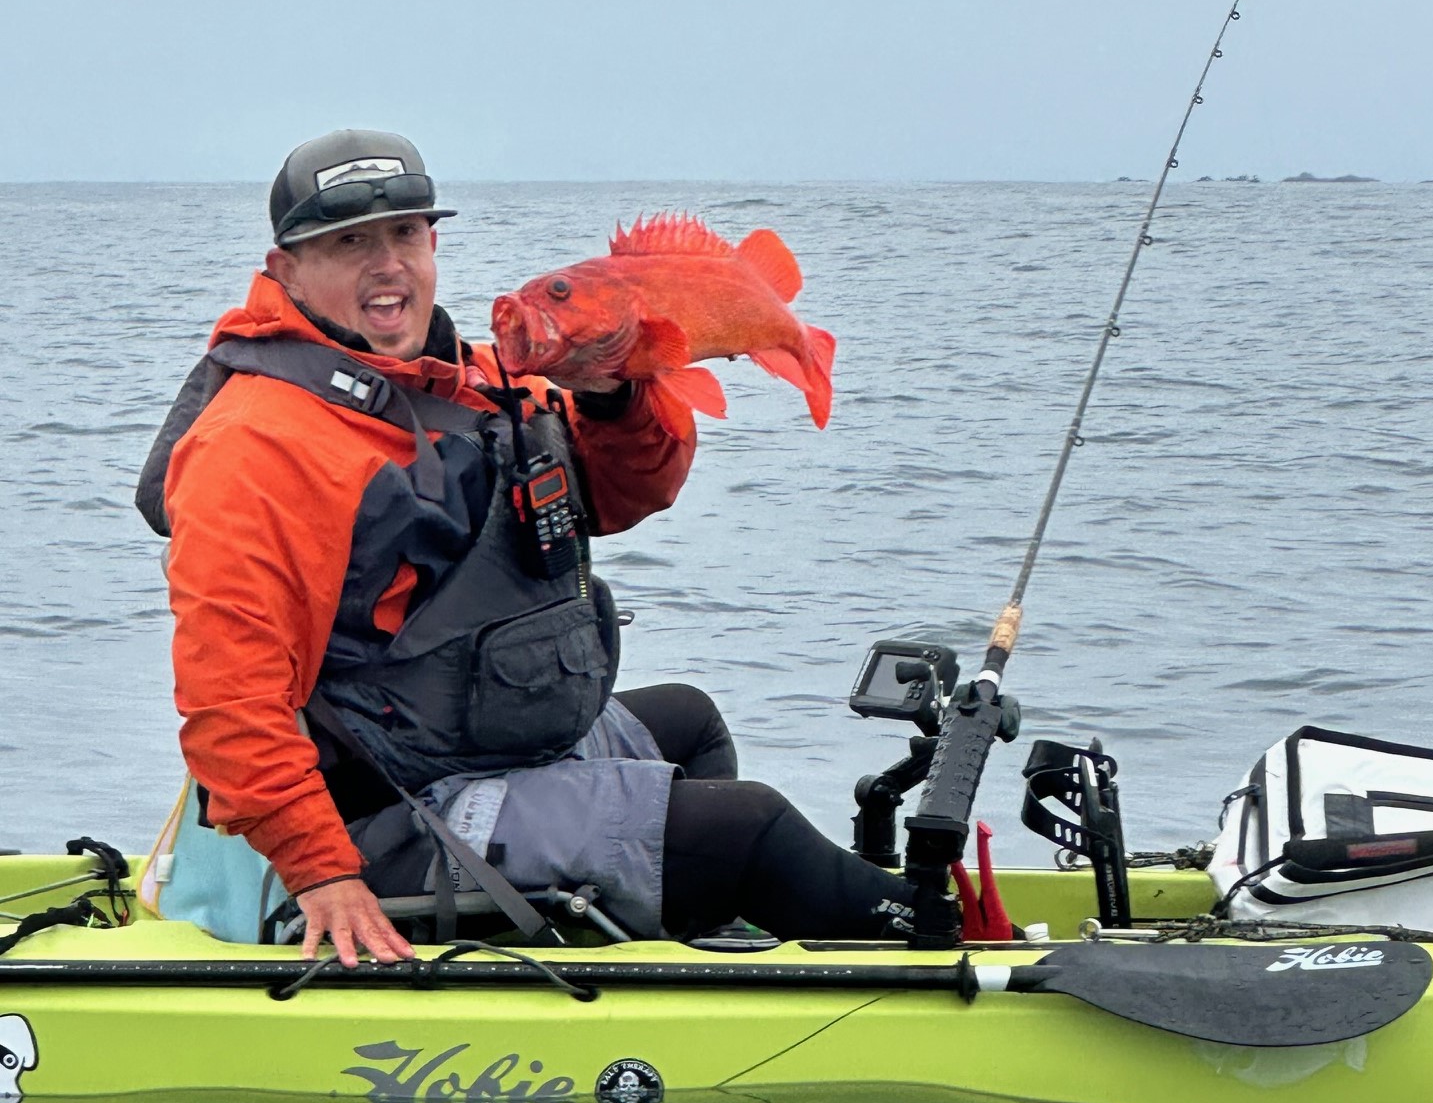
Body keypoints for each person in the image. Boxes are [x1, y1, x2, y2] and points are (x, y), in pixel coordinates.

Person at [137, 129, 926, 967]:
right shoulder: (254, 445)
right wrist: (320, 870)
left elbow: (630, 493)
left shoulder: (473, 380)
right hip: (380, 817)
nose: (387, 263)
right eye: (349, 242)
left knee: (688, 724)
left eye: (405, 233)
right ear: (286, 268)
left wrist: (620, 399)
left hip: (466, 749)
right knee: (753, 827)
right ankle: (951, 949)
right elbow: (230, 701)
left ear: (433, 243)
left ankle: (672, 944)